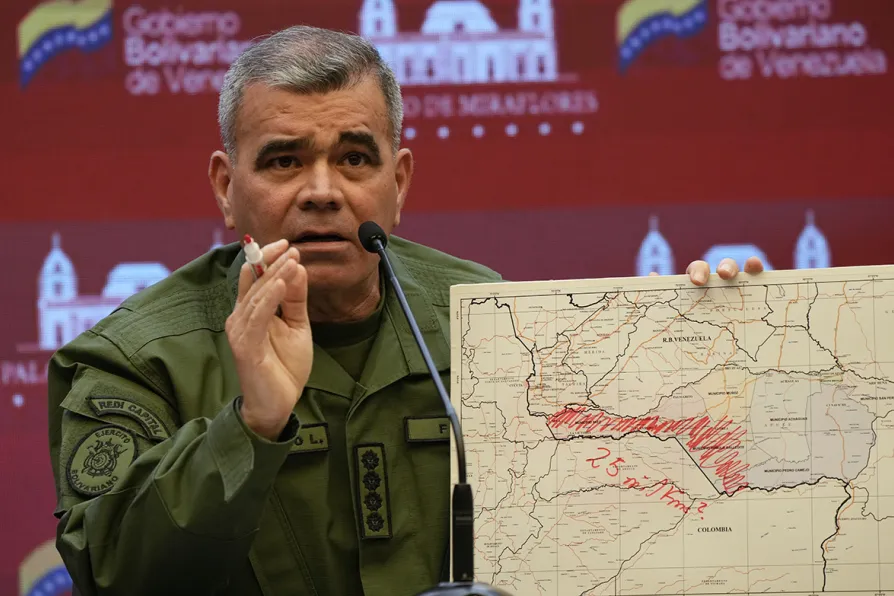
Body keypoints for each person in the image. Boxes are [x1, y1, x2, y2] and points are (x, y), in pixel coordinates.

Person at [46, 25, 764, 596]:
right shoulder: (134, 359)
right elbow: (114, 573)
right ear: (225, 187)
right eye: (284, 161)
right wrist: (251, 426)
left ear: (401, 180)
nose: (322, 191)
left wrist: (717, 344)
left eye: (355, 159)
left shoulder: (493, 322)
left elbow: (632, 519)